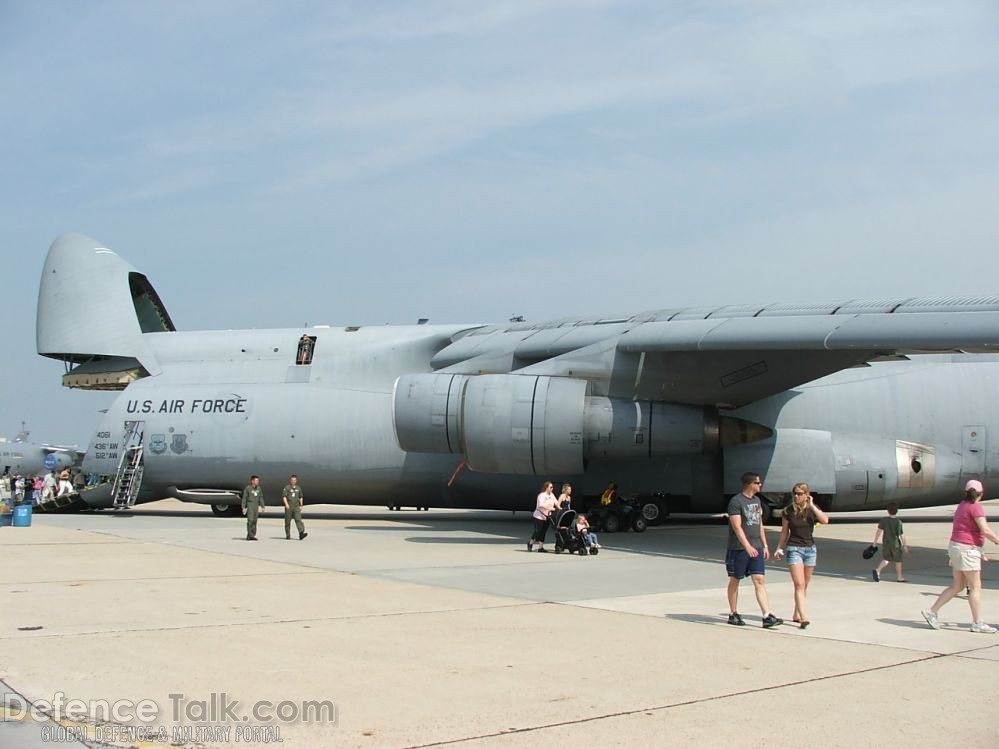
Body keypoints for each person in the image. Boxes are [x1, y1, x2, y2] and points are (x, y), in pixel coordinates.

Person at [922, 479, 999, 633]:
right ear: (981, 493)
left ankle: (932, 612)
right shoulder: (975, 508)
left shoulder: (961, 506)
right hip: (968, 549)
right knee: (975, 587)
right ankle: (977, 623)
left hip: (956, 547)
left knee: (958, 586)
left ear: (966, 492)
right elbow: (985, 530)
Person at [725, 472, 783, 628]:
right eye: (758, 483)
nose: (760, 485)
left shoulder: (757, 501)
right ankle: (733, 613)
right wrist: (747, 546)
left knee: (759, 579)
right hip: (739, 549)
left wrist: (764, 545)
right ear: (750, 484)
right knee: (735, 579)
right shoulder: (736, 502)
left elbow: (759, 525)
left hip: (756, 546)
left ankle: (766, 615)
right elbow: (737, 527)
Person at [774, 483, 829, 628]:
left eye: (800, 493)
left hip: (810, 550)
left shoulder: (811, 510)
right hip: (794, 549)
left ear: (806, 495)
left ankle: (797, 613)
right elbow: (784, 532)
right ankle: (804, 617)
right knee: (799, 584)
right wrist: (779, 548)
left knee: (804, 585)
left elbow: (825, 520)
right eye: (795, 493)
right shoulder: (788, 511)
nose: (797, 496)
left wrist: (812, 506)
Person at [872, 503, 908, 582]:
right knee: (898, 560)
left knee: (886, 559)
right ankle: (899, 577)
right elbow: (901, 534)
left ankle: (878, 570)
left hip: (886, 543)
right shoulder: (898, 522)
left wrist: (874, 542)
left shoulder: (884, 520)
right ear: (897, 511)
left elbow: (879, 531)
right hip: (895, 544)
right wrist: (905, 545)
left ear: (888, 511)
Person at [527, 481, 557, 552]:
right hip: (539, 516)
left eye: (552, 487)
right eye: (551, 487)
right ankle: (530, 543)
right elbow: (541, 505)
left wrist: (560, 508)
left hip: (547, 516)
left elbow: (556, 502)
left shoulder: (551, 495)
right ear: (546, 487)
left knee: (544, 531)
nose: (552, 488)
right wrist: (549, 507)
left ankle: (541, 547)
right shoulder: (541, 495)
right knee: (538, 531)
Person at [282, 474, 307, 540]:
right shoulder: (287, 488)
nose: (293, 481)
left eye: (294, 480)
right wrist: (286, 504)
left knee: (298, 519)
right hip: (289, 506)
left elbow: (301, 497)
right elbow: (284, 496)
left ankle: (301, 533)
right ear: (290, 480)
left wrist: (301, 505)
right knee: (287, 521)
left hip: (296, 506)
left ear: (296, 481)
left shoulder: (298, 488)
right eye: (292, 480)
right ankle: (288, 535)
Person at [241, 475, 266, 541]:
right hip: (250, 505)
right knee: (250, 520)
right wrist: (243, 507)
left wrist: (262, 506)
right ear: (252, 481)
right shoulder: (248, 488)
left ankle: (252, 535)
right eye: (256, 480)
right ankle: (249, 535)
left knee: (255, 520)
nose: (257, 482)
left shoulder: (259, 488)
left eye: (258, 480)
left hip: (256, 505)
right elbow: (244, 498)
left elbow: (261, 497)